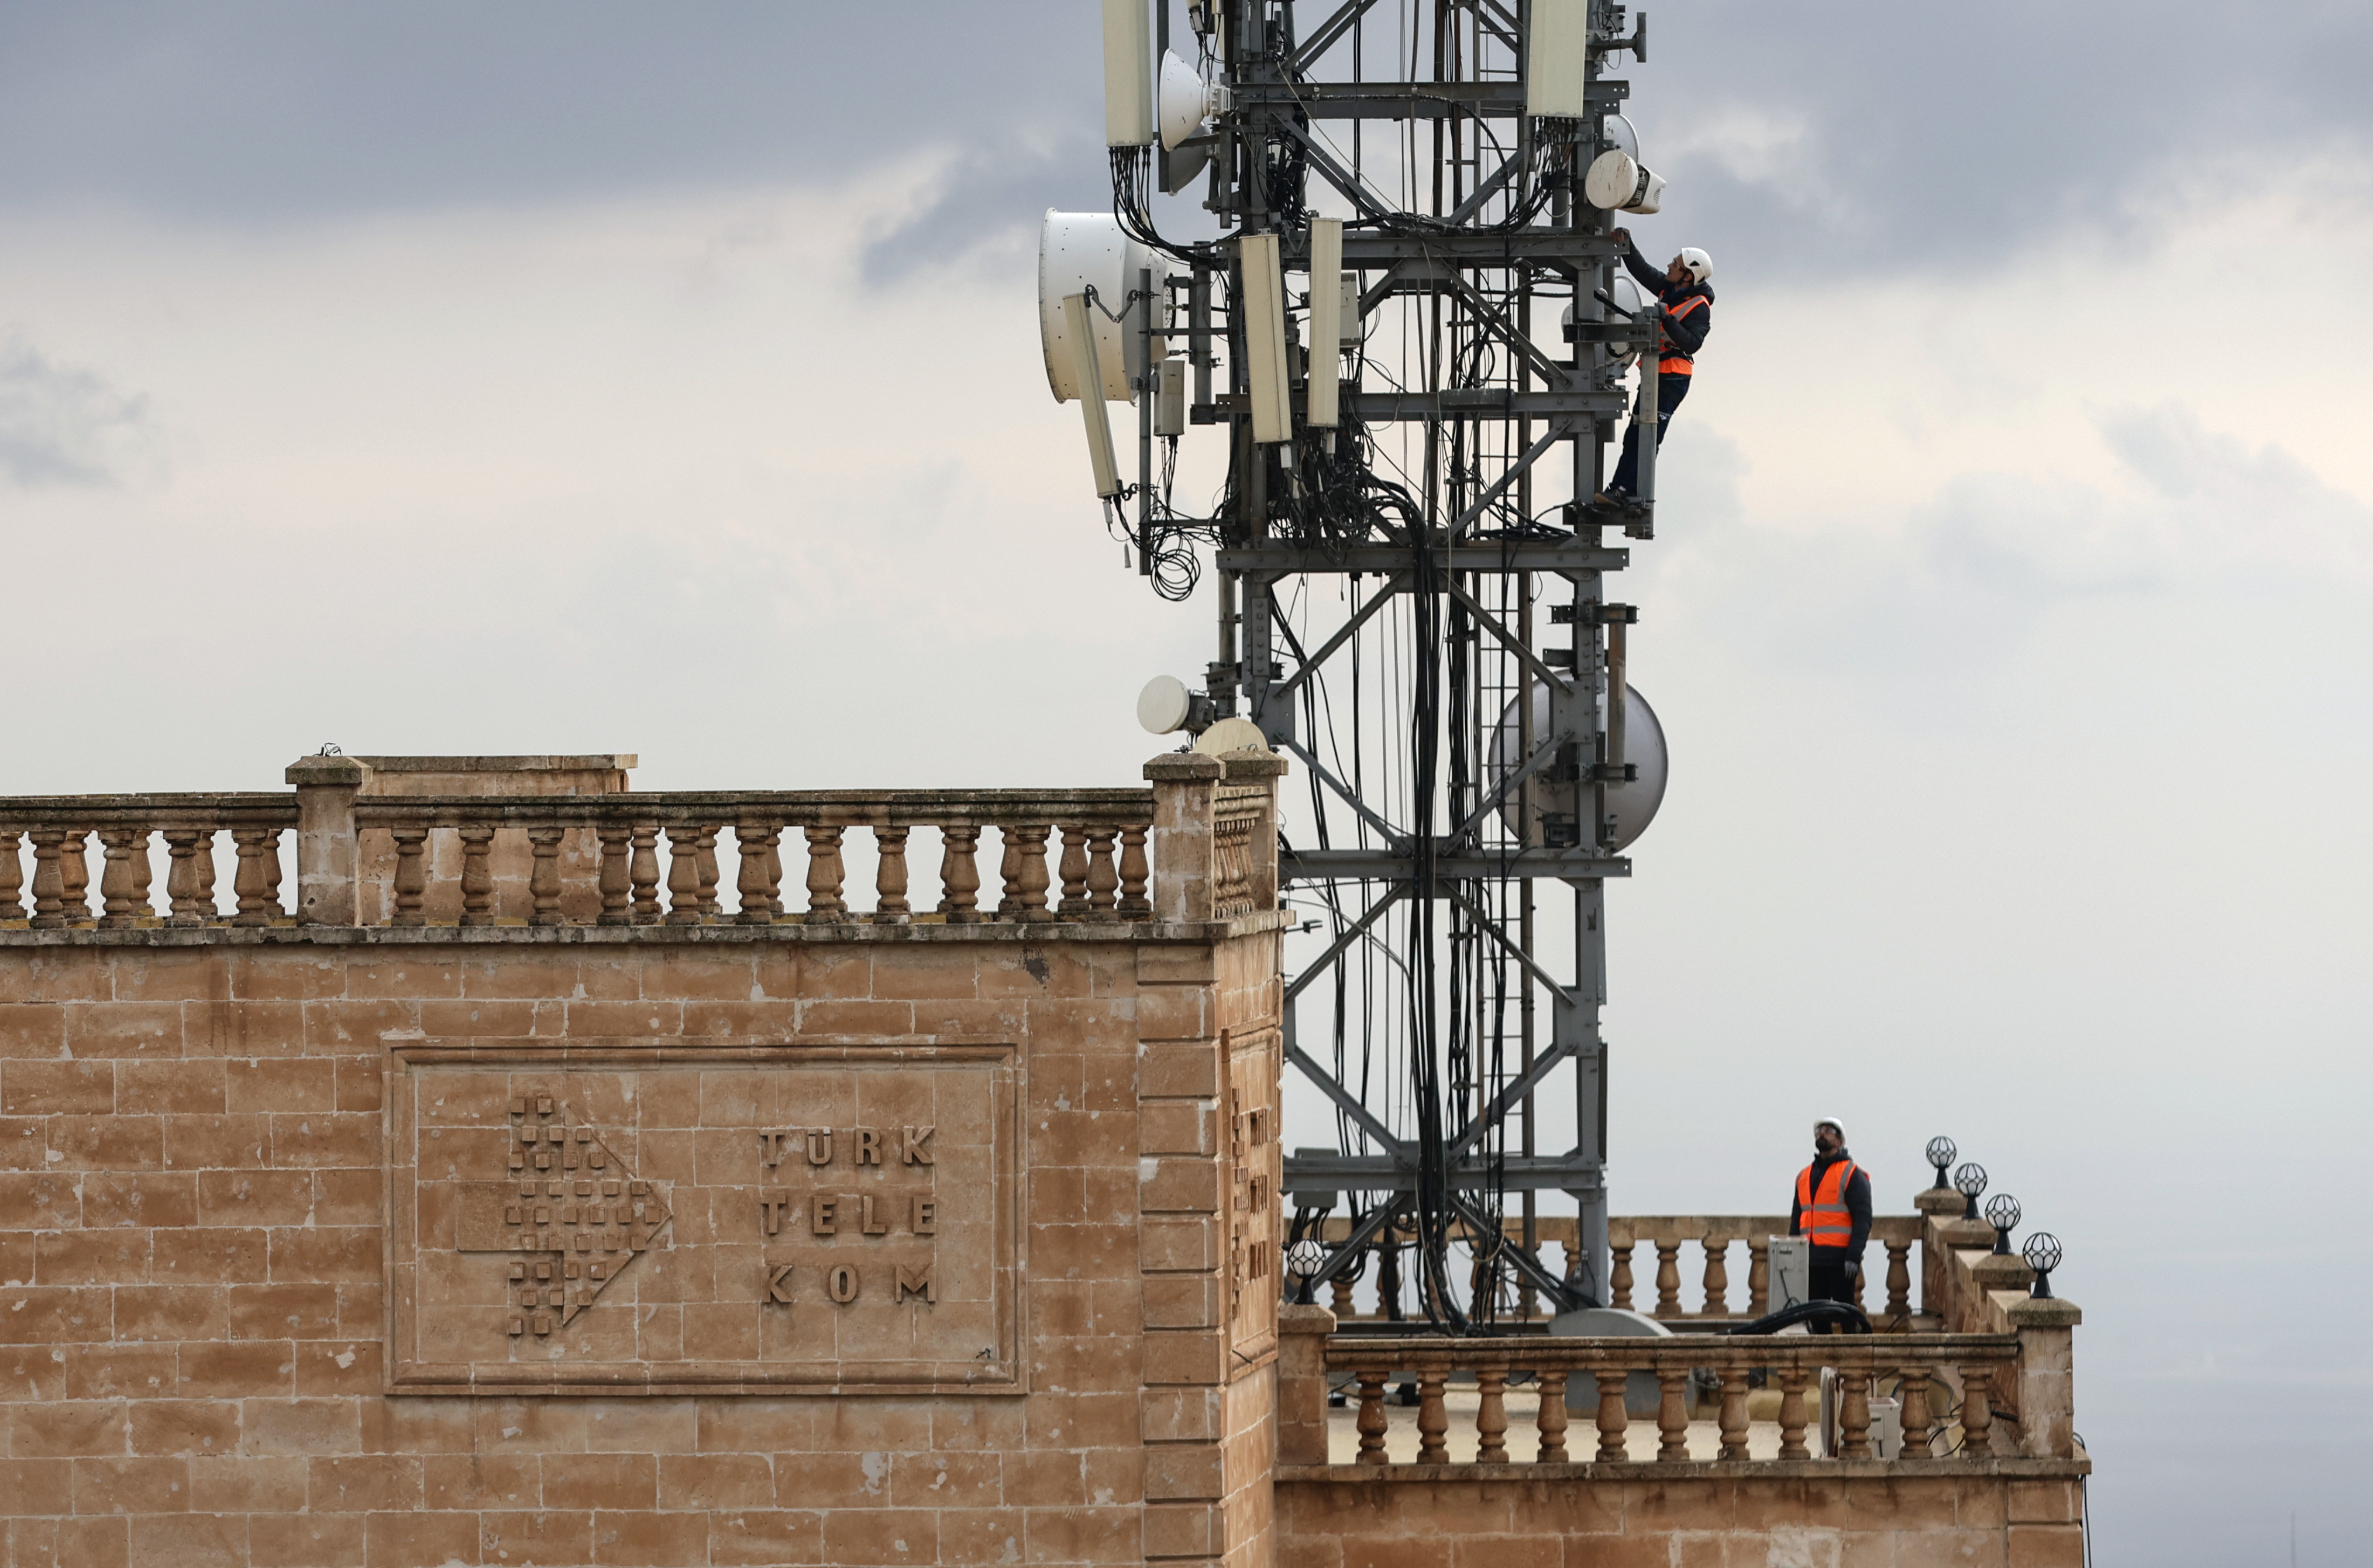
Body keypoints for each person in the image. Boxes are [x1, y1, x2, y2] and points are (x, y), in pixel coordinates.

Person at [1597, 229, 1714, 505]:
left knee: (1648, 436)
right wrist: (1627, 245)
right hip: (1656, 374)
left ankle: (1631, 492)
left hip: (1673, 378)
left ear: (1689, 276)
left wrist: (1668, 319)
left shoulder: (1700, 307)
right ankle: (1619, 490)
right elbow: (1643, 271)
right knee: (1635, 434)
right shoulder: (1670, 289)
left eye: (1676, 265)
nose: (1669, 266)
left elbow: (1692, 343)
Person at [1789, 1116, 1872, 1320]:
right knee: (1816, 1317)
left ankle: (1853, 1349)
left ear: (1839, 1141)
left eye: (1828, 1131)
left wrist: (1854, 1255)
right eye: (1819, 1131)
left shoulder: (1852, 1174)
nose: (1821, 1134)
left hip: (1840, 1260)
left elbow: (1863, 1218)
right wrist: (1792, 1252)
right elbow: (1796, 1219)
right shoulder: (1804, 1176)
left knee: (1846, 1314)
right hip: (1811, 1258)